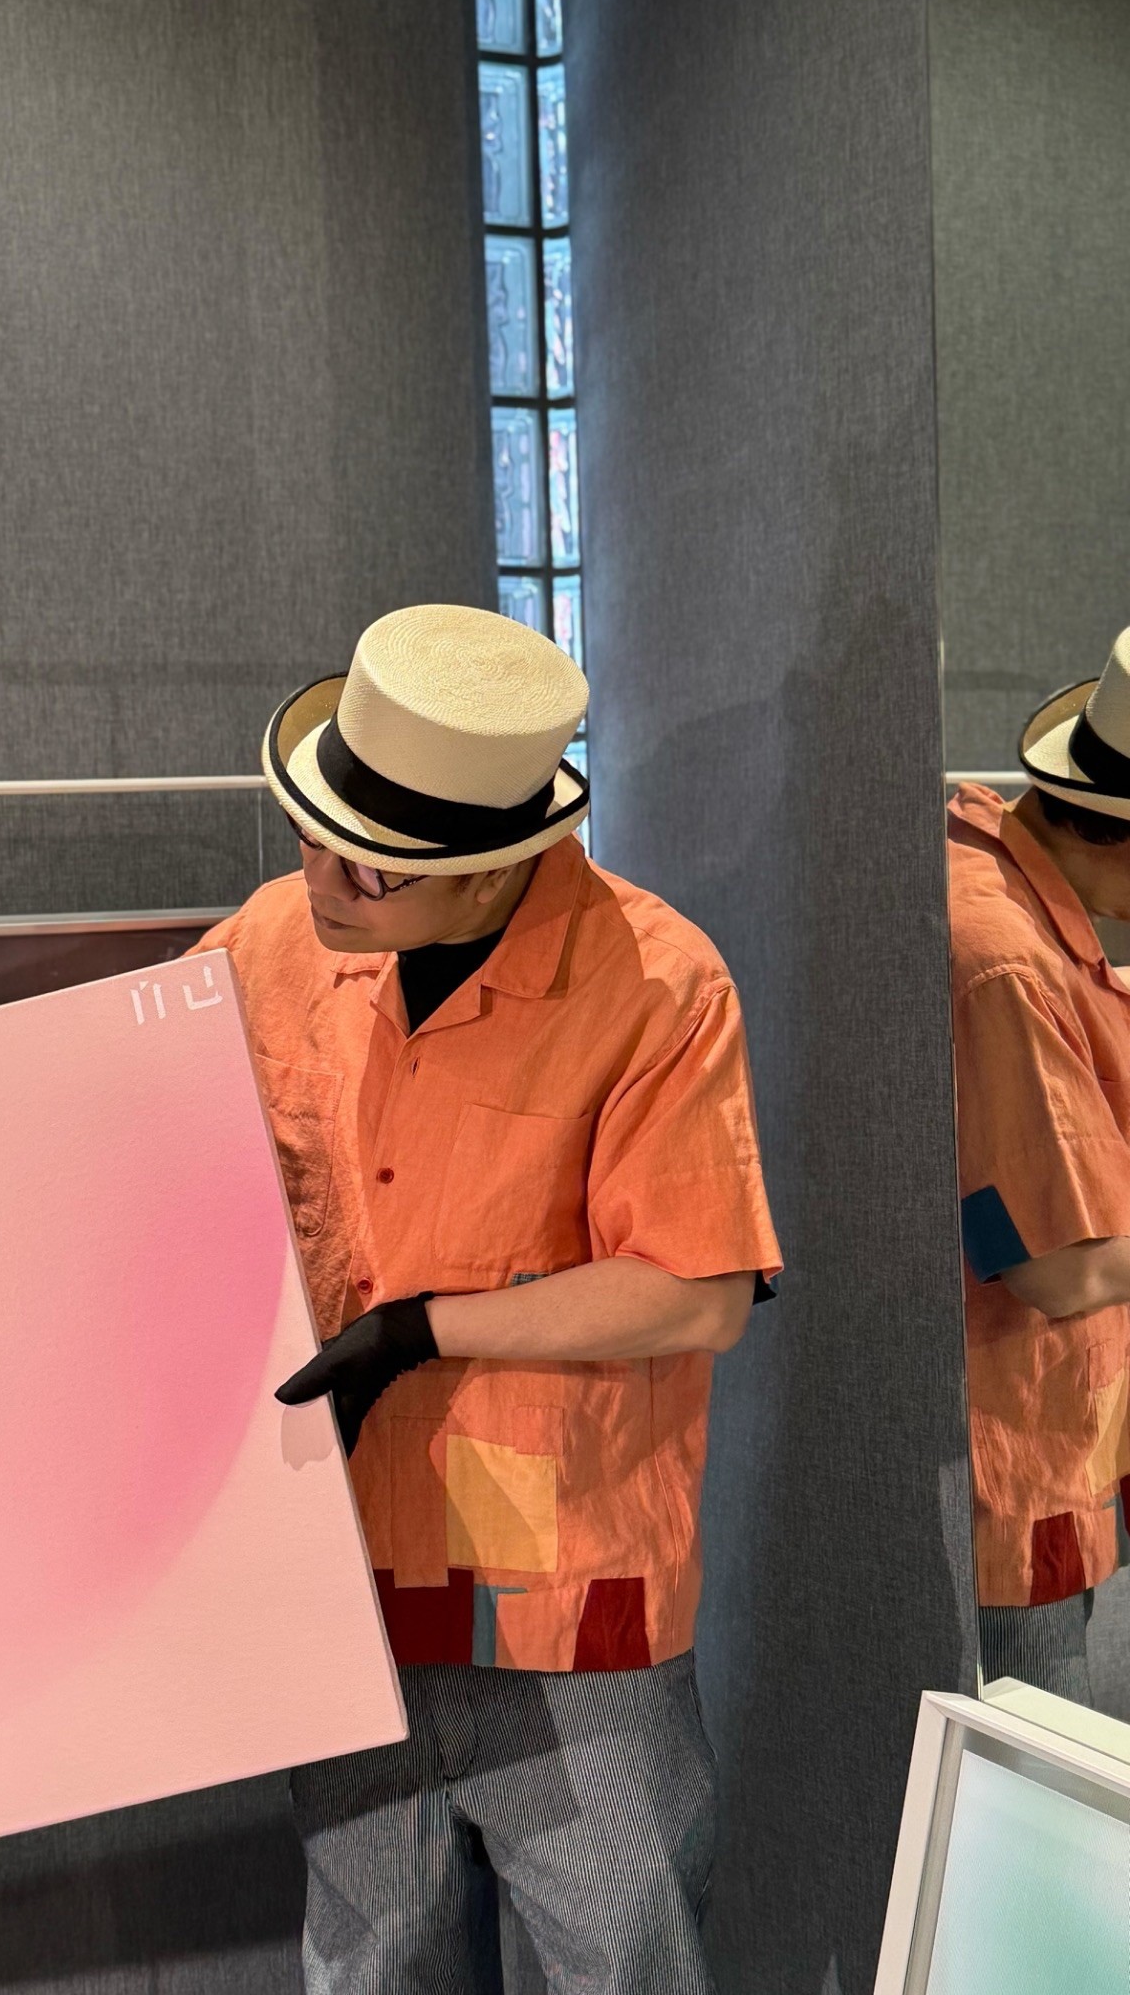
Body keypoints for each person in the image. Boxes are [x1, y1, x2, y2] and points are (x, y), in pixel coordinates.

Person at [192, 604, 780, 1993]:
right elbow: (125, 1094)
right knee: (371, 1957)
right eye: (310, 830)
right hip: (345, 1566)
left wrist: (423, 1328)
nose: (322, 876)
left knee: (619, 1958)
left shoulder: (657, 985)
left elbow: (696, 1290)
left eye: (368, 864)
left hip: (561, 1595)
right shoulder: (279, 938)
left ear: (490, 873)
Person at [950, 626, 1130, 1706]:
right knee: (1047, 1761)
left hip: (1044, 1427)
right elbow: (1054, 1267)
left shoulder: (984, 847)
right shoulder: (1004, 964)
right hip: (1016, 1442)